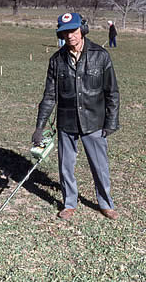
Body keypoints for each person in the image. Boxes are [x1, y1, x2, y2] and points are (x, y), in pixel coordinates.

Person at [32, 13, 120, 220]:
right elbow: (49, 96)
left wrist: (111, 121)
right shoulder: (56, 60)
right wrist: (39, 126)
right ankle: (69, 203)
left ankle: (106, 204)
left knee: (100, 166)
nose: (69, 35)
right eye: (65, 32)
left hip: (95, 121)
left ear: (82, 30)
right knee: (65, 166)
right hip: (67, 122)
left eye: (73, 30)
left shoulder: (101, 56)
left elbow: (112, 92)